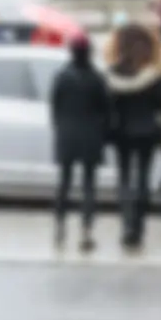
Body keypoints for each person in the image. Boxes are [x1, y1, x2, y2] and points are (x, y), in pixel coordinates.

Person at [105, 22, 161, 252]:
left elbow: (108, 104)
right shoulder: (154, 74)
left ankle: (125, 225)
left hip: (121, 131)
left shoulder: (113, 73)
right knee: (143, 178)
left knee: (123, 178)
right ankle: (139, 229)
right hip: (148, 131)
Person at [49, 32, 111, 250]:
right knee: (89, 186)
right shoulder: (97, 78)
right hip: (91, 135)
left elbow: (54, 107)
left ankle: (59, 225)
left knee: (64, 183)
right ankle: (86, 229)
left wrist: (59, 127)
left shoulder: (61, 77)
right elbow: (105, 109)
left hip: (66, 134)